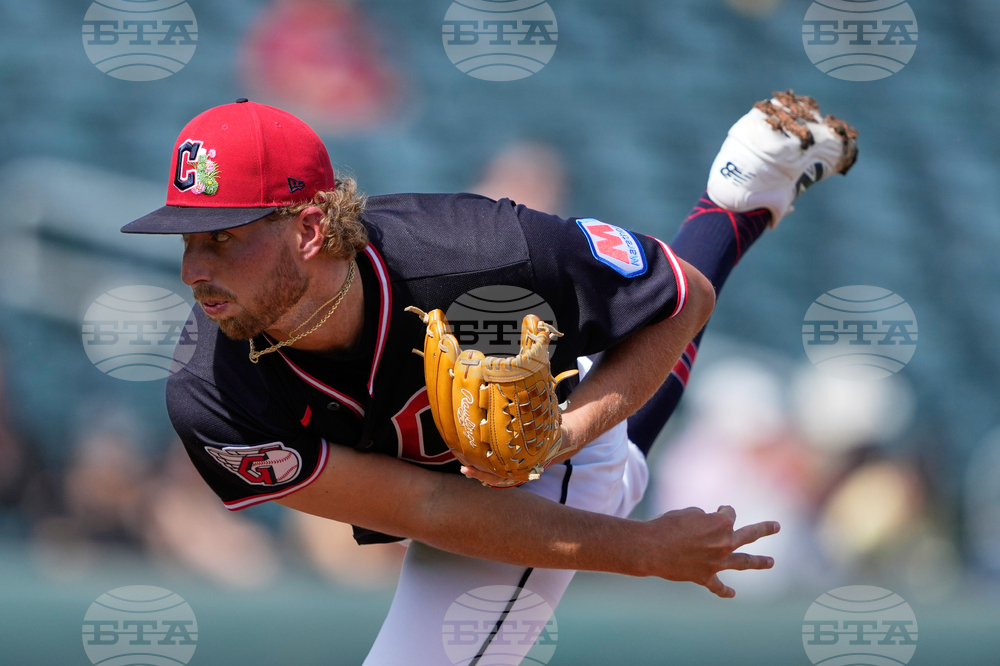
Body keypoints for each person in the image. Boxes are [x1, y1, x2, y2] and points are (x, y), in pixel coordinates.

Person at [122, 91, 857, 665]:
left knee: (600, 454)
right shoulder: (209, 393)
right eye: (188, 240)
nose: (193, 272)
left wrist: (567, 436)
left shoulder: (488, 251)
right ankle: (742, 195)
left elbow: (680, 299)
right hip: (449, 494)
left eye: (224, 239)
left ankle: (739, 201)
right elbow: (426, 508)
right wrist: (639, 549)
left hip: (548, 447)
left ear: (310, 231)